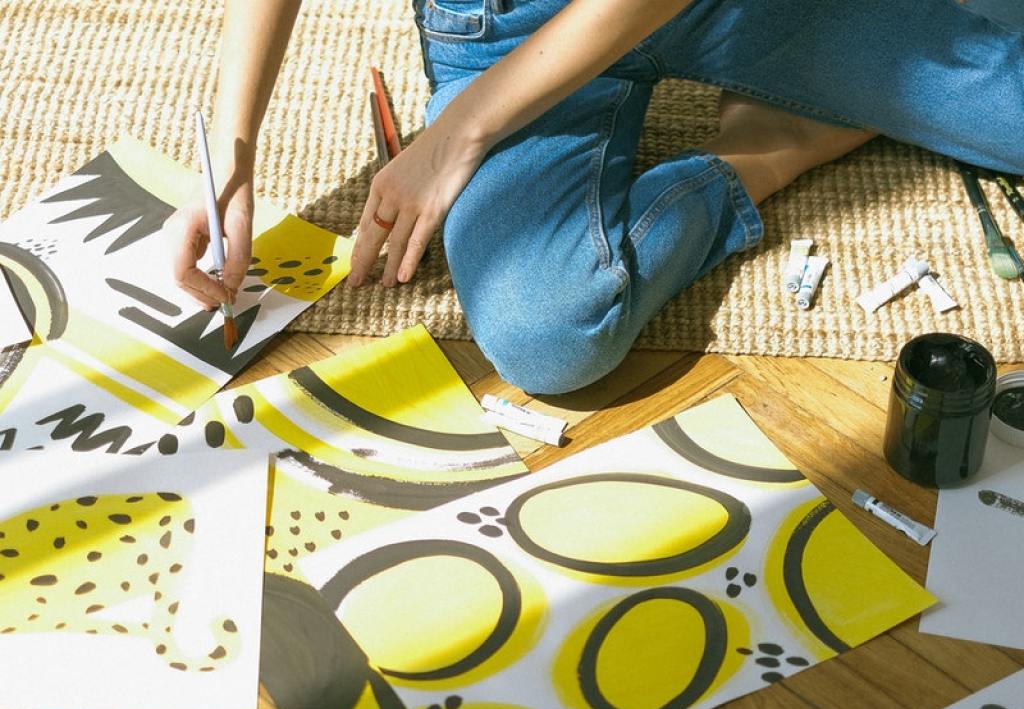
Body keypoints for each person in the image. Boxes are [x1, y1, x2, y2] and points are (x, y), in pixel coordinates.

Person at [167, 0, 1024, 394]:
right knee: (546, 336)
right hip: (495, 34)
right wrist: (232, 156)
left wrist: (461, 131)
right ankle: (770, 143)